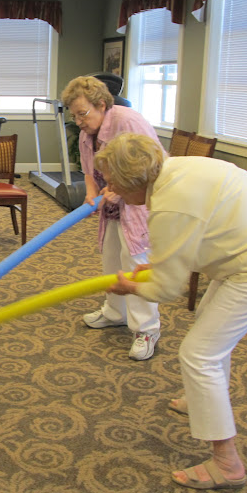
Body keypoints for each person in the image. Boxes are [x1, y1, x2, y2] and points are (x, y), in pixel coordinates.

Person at [97, 133, 247, 490]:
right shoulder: (175, 170)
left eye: (114, 181)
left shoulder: (171, 204)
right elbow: (186, 243)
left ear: (134, 180)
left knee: (199, 354)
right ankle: (201, 399)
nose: (110, 189)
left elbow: (166, 289)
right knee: (209, 326)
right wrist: (158, 267)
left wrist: (130, 287)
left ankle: (227, 463)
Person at [61, 76, 162, 360]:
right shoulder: (87, 132)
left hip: (139, 200)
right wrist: (91, 193)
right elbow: (89, 171)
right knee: (112, 259)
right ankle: (116, 312)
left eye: (83, 114)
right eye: (74, 115)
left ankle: (147, 329)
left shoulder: (127, 121)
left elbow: (152, 167)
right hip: (112, 204)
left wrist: (118, 188)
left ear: (102, 105)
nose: (79, 121)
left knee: (135, 263)